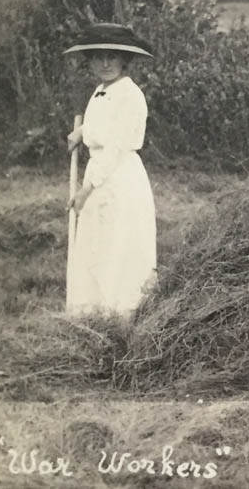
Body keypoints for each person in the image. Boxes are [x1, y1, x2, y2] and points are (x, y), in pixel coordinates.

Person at [64, 22, 157, 317]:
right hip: (100, 171)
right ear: (89, 60)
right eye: (98, 56)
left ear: (124, 60)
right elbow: (102, 127)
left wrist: (85, 190)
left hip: (119, 177)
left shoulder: (131, 94)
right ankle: (93, 315)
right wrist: (82, 133)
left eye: (112, 56)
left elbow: (116, 145)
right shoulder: (100, 91)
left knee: (119, 245)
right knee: (98, 244)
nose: (105, 63)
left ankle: (120, 319)